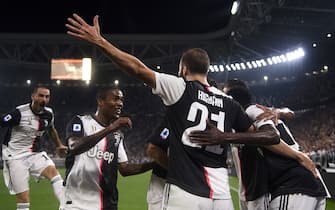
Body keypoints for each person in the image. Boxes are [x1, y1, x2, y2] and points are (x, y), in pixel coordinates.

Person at [65, 14, 283, 210]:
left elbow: (137, 68)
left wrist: (99, 41)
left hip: (185, 191)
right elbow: (260, 137)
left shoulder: (180, 87)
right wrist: (227, 136)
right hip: (221, 195)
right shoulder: (230, 103)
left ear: (184, 69)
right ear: (206, 71)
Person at [223, 79, 327, 210]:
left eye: (226, 95)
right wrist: (279, 112)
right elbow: (290, 113)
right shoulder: (261, 111)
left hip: (294, 184)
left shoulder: (251, 111)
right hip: (306, 182)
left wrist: (298, 156)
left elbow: (271, 137)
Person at [60, 87, 153, 210]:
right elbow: (74, 146)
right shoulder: (81, 121)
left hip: (106, 204)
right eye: (115, 99)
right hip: (76, 203)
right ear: (100, 101)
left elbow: (125, 169)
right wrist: (111, 128)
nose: (120, 104)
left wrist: (156, 164)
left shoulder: (117, 135)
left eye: (121, 100)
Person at [0, 85, 68, 210]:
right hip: (15, 157)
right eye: (41, 95)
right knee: (23, 199)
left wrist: (59, 145)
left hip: (35, 153)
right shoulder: (19, 113)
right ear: (33, 96)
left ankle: (66, 207)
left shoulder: (49, 114)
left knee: (54, 173)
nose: (44, 99)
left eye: (47, 96)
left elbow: (51, 130)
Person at [146, 117, 169, 210]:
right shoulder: (174, 120)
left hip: (182, 185)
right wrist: (177, 172)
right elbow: (152, 149)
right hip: (162, 182)